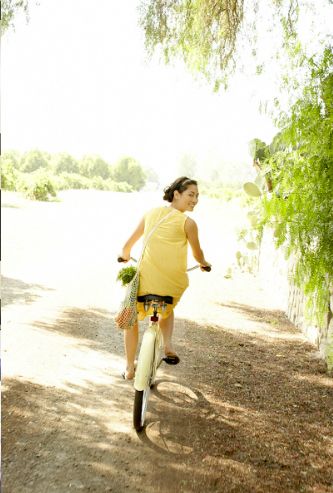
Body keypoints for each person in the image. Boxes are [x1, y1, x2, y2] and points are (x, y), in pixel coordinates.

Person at [118, 176, 211, 380]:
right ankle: (168, 345)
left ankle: (129, 367)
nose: (195, 199)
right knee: (166, 309)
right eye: (191, 194)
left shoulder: (151, 214)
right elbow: (198, 254)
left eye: (197, 196)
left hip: (146, 281)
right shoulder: (189, 223)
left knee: (131, 316)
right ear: (176, 194)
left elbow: (127, 246)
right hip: (172, 282)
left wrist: (124, 256)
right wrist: (204, 264)